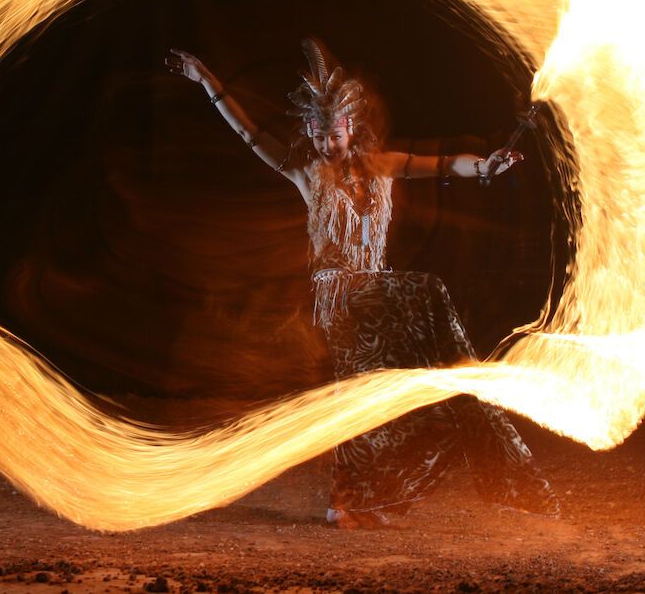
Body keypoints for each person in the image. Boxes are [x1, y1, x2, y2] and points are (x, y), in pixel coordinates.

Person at [166, 38, 558, 528]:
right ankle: (346, 499)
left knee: (396, 400)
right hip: (338, 302)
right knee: (353, 393)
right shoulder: (308, 174)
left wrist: (485, 166)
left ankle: (377, 491)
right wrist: (208, 80)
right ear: (311, 132)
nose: (327, 144)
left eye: (335, 134)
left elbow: (443, 166)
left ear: (351, 127)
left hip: (379, 297)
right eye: (319, 135)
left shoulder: (384, 167)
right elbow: (250, 135)